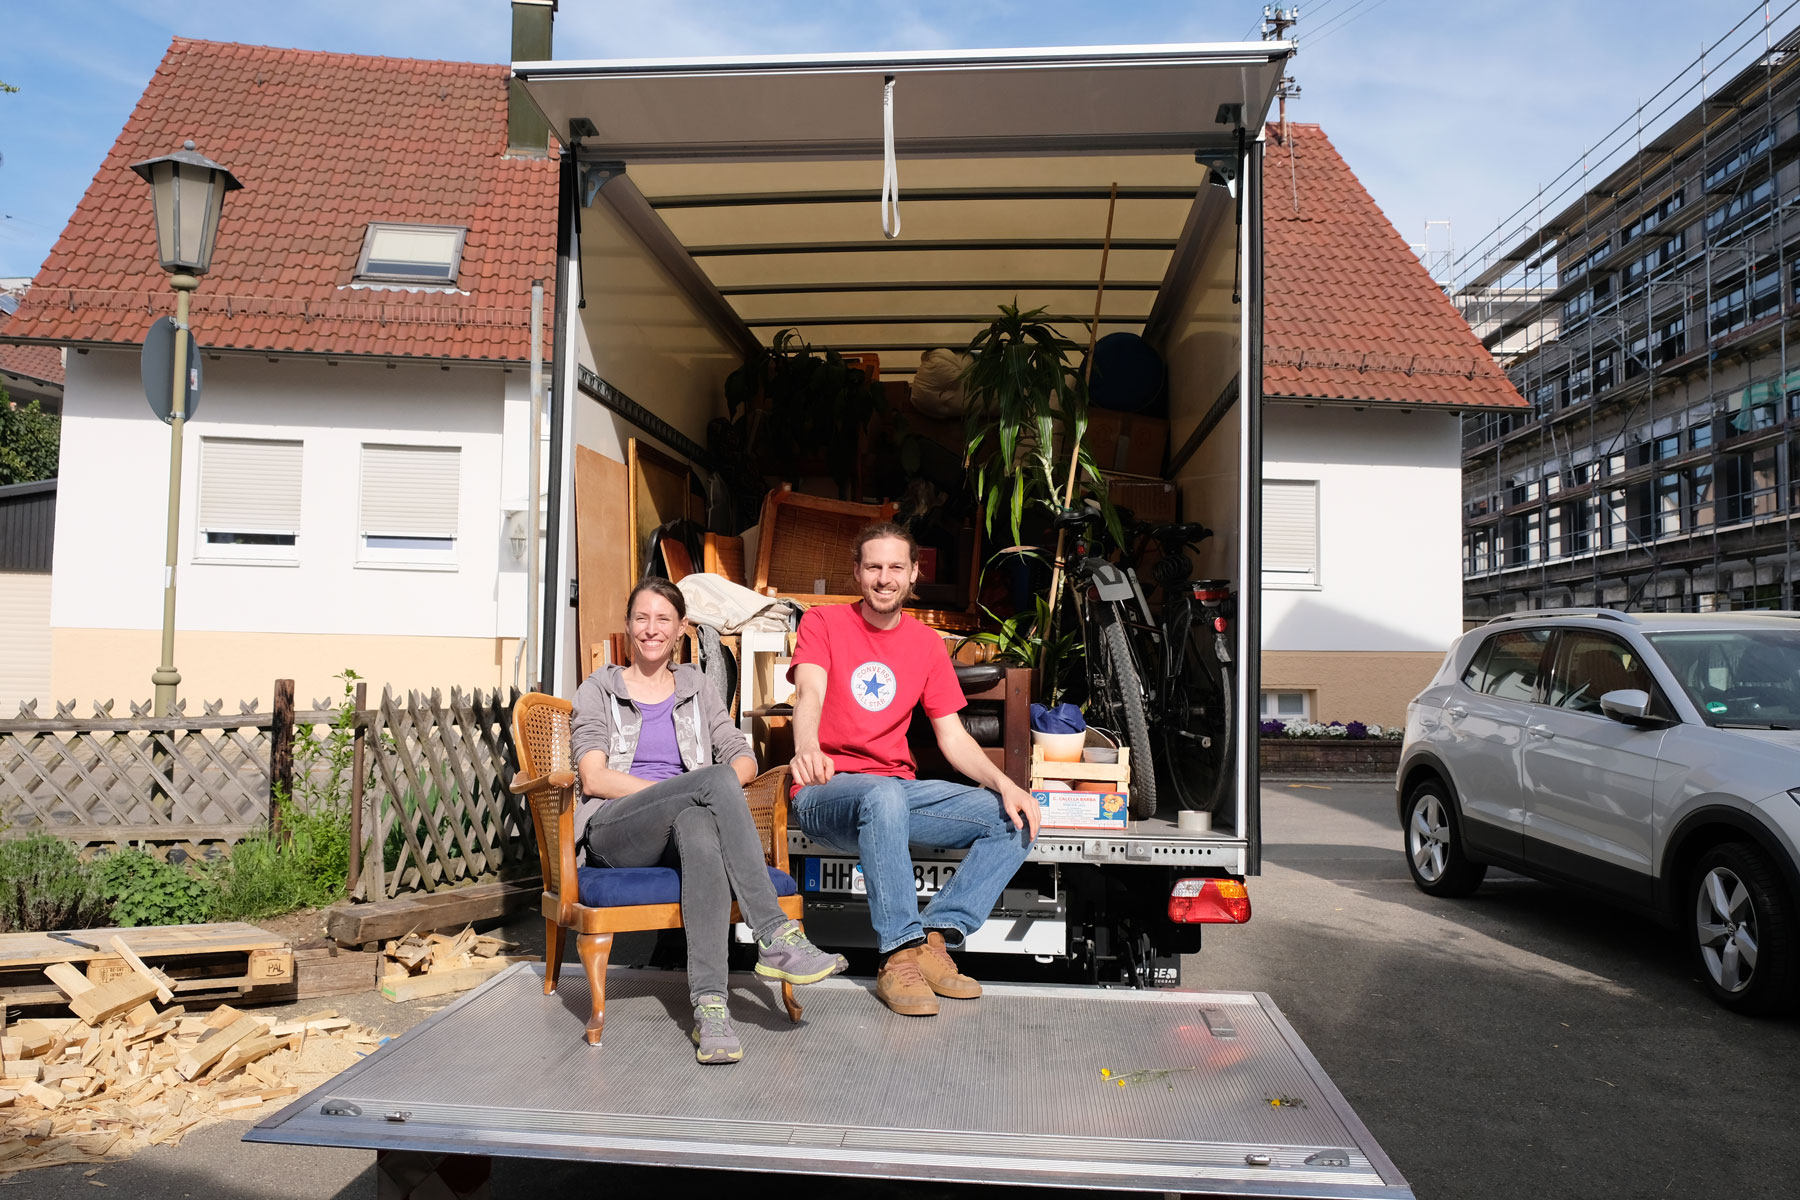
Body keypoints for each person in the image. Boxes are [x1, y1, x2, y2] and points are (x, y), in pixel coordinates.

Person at [571, 578, 845, 1064]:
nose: (651, 629)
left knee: (700, 823)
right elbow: (593, 778)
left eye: (663, 620)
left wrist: (703, 790)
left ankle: (710, 1008)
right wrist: (686, 789)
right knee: (705, 788)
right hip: (617, 831)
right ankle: (776, 936)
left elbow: (743, 759)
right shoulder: (600, 690)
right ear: (628, 626)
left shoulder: (697, 687)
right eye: (641, 618)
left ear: (681, 629)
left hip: (680, 827)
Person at [788, 522, 1040, 1016]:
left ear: (914, 574)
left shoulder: (926, 645)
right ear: (857, 572)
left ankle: (934, 940)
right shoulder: (823, 623)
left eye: (896, 567)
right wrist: (805, 746)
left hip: (895, 794)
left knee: (1014, 817)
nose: (885, 578)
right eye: (874, 567)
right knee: (881, 794)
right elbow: (809, 692)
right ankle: (897, 956)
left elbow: (953, 736)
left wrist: (1009, 785)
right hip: (826, 790)